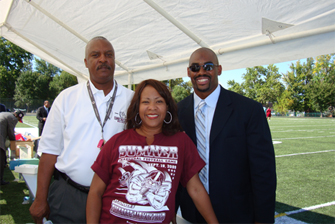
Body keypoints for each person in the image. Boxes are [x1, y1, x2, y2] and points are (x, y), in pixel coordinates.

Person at [29, 36, 134, 224]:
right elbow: (49, 152)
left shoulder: (132, 100)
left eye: (108, 55)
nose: (103, 59)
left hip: (115, 197)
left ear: (114, 60)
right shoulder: (66, 98)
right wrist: (40, 198)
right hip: (69, 194)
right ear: (86, 62)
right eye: (96, 55)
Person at [86, 79, 218, 224]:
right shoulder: (116, 141)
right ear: (137, 107)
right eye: (146, 102)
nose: (152, 107)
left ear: (168, 107)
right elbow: (96, 192)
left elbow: (196, 190)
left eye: (159, 101)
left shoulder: (181, 142)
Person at [176, 47, 276, 223]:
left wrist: (263, 219)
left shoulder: (248, 110)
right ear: (188, 72)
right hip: (191, 212)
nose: (201, 72)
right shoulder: (176, 112)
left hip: (236, 213)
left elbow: (263, 171)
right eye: (195, 67)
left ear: (219, 69)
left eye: (208, 66)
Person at [0, 110, 24, 185]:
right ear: (17, 116)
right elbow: (11, 133)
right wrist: (13, 146)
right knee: (1, 160)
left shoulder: (4, 113)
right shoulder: (12, 118)